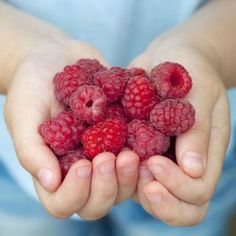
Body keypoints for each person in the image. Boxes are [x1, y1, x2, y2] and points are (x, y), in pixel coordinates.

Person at [0, 0, 236, 235]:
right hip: (17, 180)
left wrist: (207, 49)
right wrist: (19, 54)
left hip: (185, 168)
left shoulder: (139, 111)